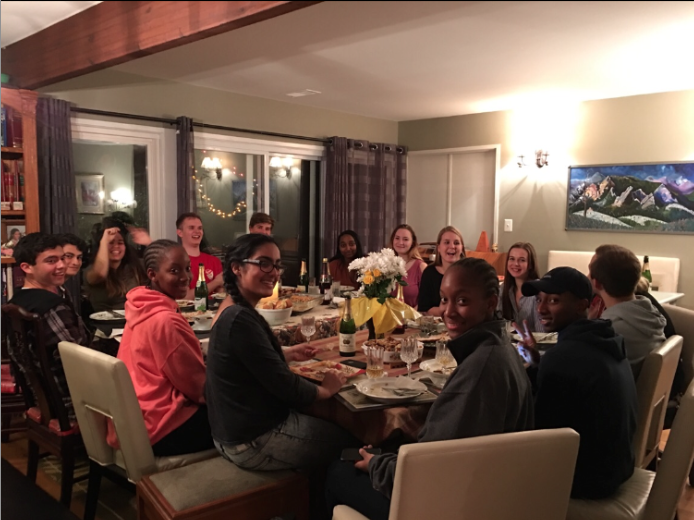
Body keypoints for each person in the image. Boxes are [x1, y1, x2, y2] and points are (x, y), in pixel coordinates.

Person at [325, 258, 534, 520]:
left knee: (337, 471)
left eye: (462, 301)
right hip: (489, 490)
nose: (448, 311)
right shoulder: (503, 350)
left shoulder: (480, 371)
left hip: (448, 505)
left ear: (491, 303)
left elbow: (431, 467)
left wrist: (378, 465)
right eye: (445, 300)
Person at [206, 233, 356, 471]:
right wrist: (326, 390)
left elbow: (248, 361)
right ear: (237, 268)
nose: (274, 273)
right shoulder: (239, 318)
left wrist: (285, 354)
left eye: (277, 265)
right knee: (354, 443)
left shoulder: (235, 310)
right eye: (263, 263)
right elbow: (287, 386)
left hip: (234, 433)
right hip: (252, 440)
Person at [520, 267, 638, 499]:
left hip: (589, 482)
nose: (541, 309)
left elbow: (541, 433)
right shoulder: (606, 338)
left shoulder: (563, 357)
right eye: (539, 300)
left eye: (553, 300)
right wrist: (537, 363)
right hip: (619, 467)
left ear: (581, 304)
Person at [109, 240, 213, 456]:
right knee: (249, 414)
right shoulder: (166, 320)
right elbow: (200, 390)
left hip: (136, 417)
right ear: (152, 274)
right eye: (174, 271)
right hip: (161, 427)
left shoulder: (140, 305)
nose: (185, 277)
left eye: (186, 268)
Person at [8, 233, 93, 420]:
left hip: (40, 397)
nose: (62, 265)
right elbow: (78, 362)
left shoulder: (16, 301)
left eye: (62, 258)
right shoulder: (51, 306)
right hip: (68, 402)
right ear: (27, 267)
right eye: (51, 261)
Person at [588, 244, 666, 378]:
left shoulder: (610, 332)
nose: (587, 276)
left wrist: (587, 327)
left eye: (590, 273)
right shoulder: (649, 314)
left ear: (598, 283)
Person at [84, 218, 147, 312]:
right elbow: (100, 274)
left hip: (136, 321)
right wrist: (104, 240)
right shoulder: (90, 271)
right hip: (106, 324)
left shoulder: (136, 266)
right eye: (111, 242)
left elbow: (163, 266)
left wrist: (149, 243)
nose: (116, 246)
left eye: (120, 242)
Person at [417, 226, 465, 316]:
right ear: (438, 248)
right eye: (446, 242)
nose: (452, 246)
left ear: (462, 248)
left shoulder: (470, 273)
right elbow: (424, 308)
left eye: (456, 243)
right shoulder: (429, 273)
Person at [176, 212, 224, 299]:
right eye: (191, 228)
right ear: (180, 233)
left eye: (200, 228)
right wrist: (216, 282)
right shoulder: (176, 261)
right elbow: (185, 297)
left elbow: (221, 293)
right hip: (189, 312)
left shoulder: (214, 261)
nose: (197, 231)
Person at [499, 242, 543, 332]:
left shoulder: (538, 292)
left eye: (522, 260)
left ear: (530, 265)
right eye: (512, 259)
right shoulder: (503, 289)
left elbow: (542, 334)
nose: (516, 264)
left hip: (535, 344)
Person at [389, 224, 427, 308]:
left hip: (412, 319)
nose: (400, 242)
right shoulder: (384, 265)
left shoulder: (421, 267)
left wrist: (409, 317)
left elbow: (426, 300)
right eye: (397, 238)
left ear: (412, 243)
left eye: (405, 239)